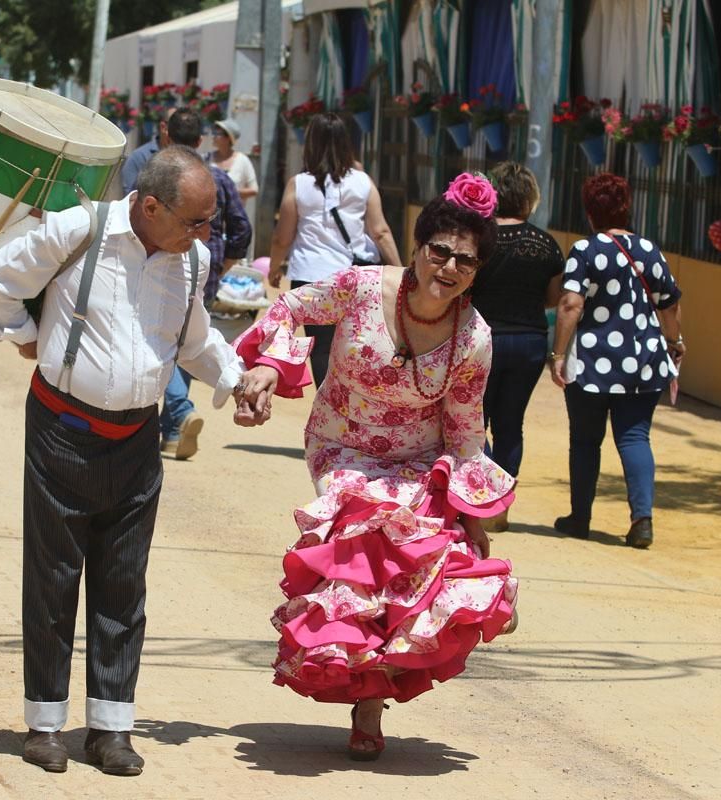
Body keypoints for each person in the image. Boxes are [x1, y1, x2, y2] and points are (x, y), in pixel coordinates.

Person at [0, 146, 247, 777]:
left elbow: (195, 342)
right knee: (53, 578)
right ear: (150, 206)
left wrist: (237, 377)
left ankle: (111, 730)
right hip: (61, 433)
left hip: (138, 442)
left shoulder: (192, 261)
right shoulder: (80, 230)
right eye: (195, 221)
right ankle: (44, 725)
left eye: (209, 223)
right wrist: (24, 338)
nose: (205, 235)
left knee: (123, 584)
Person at [232, 172, 518, 761]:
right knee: (365, 531)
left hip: (416, 456)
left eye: (466, 261)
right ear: (417, 247)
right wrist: (266, 367)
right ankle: (353, 679)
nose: (449, 267)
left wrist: (472, 516)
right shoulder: (360, 287)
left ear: (477, 270)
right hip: (341, 445)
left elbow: (465, 430)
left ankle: (370, 700)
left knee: (410, 567)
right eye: (440, 251)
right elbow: (289, 308)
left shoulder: (474, 339)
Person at [549, 173, 685, 549]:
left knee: (586, 441)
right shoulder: (649, 250)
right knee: (635, 436)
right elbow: (669, 302)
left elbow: (570, 304)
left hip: (592, 364)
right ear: (627, 208)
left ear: (590, 212)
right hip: (643, 363)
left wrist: (558, 354)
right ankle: (642, 521)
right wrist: (674, 341)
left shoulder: (585, 251)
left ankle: (580, 518)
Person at [268, 112, 401, 386]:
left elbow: (282, 237)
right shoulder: (362, 182)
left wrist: (273, 268)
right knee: (357, 342)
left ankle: (326, 402)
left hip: (311, 277)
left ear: (311, 144)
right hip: (353, 278)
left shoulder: (299, 184)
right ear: (346, 143)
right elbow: (381, 231)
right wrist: (400, 271)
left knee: (322, 347)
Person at [468, 162, 565, 531]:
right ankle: (501, 506)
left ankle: (484, 498)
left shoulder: (480, 237)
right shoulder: (545, 244)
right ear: (529, 198)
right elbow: (554, 298)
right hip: (528, 341)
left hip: (482, 338)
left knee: (475, 422)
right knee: (511, 425)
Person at [156, 107, 252, 459]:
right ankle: (170, 428)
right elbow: (242, 227)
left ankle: (179, 411)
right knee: (189, 338)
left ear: (167, 135)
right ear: (200, 141)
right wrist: (223, 267)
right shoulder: (217, 177)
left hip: (166, 266)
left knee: (169, 338)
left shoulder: (157, 177)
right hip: (207, 272)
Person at [120, 107, 174, 194]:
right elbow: (130, 198)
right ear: (163, 127)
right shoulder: (139, 157)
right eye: (176, 125)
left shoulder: (190, 156)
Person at [210, 118, 258, 203]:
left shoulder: (242, 160)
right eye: (213, 132)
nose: (213, 136)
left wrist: (228, 192)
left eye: (217, 133)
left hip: (234, 215)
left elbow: (254, 190)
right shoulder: (207, 158)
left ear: (228, 138)